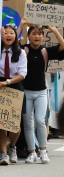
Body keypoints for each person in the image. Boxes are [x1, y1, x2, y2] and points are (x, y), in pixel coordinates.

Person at [22, 24, 64, 164]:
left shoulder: (45, 51)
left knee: (40, 121)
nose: (37, 36)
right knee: (28, 123)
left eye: (39, 34)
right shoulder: (24, 50)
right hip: (25, 92)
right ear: (28, 36)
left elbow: (62, 46)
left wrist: (54, 30)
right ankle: (32, 152)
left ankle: (43, 151)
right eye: (33, 33)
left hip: (41, 91)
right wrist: (21, 26)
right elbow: (12, 43)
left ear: (42, 36)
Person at [0, 24, 27, 165]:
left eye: (11, 33)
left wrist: (8, 82)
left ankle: (12, 146)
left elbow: (22, 74)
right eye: (6, 33)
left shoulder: (20, 53)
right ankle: (3, 154)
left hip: (14, 85)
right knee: (1, 123)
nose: (8, 36)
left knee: (15, 124)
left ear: (16, 36)